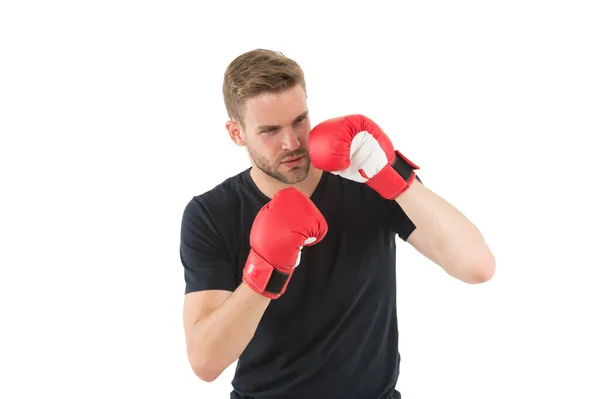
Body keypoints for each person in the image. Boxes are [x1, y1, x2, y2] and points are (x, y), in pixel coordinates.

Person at [179, 49, 495, 399]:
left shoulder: (365, 179)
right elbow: (205, 362)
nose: (292, 142)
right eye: (270, 130)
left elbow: (477, 266)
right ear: (236, 133)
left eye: (299, 120)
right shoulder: (211, 213)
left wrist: (393, 175)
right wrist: (264, 272)